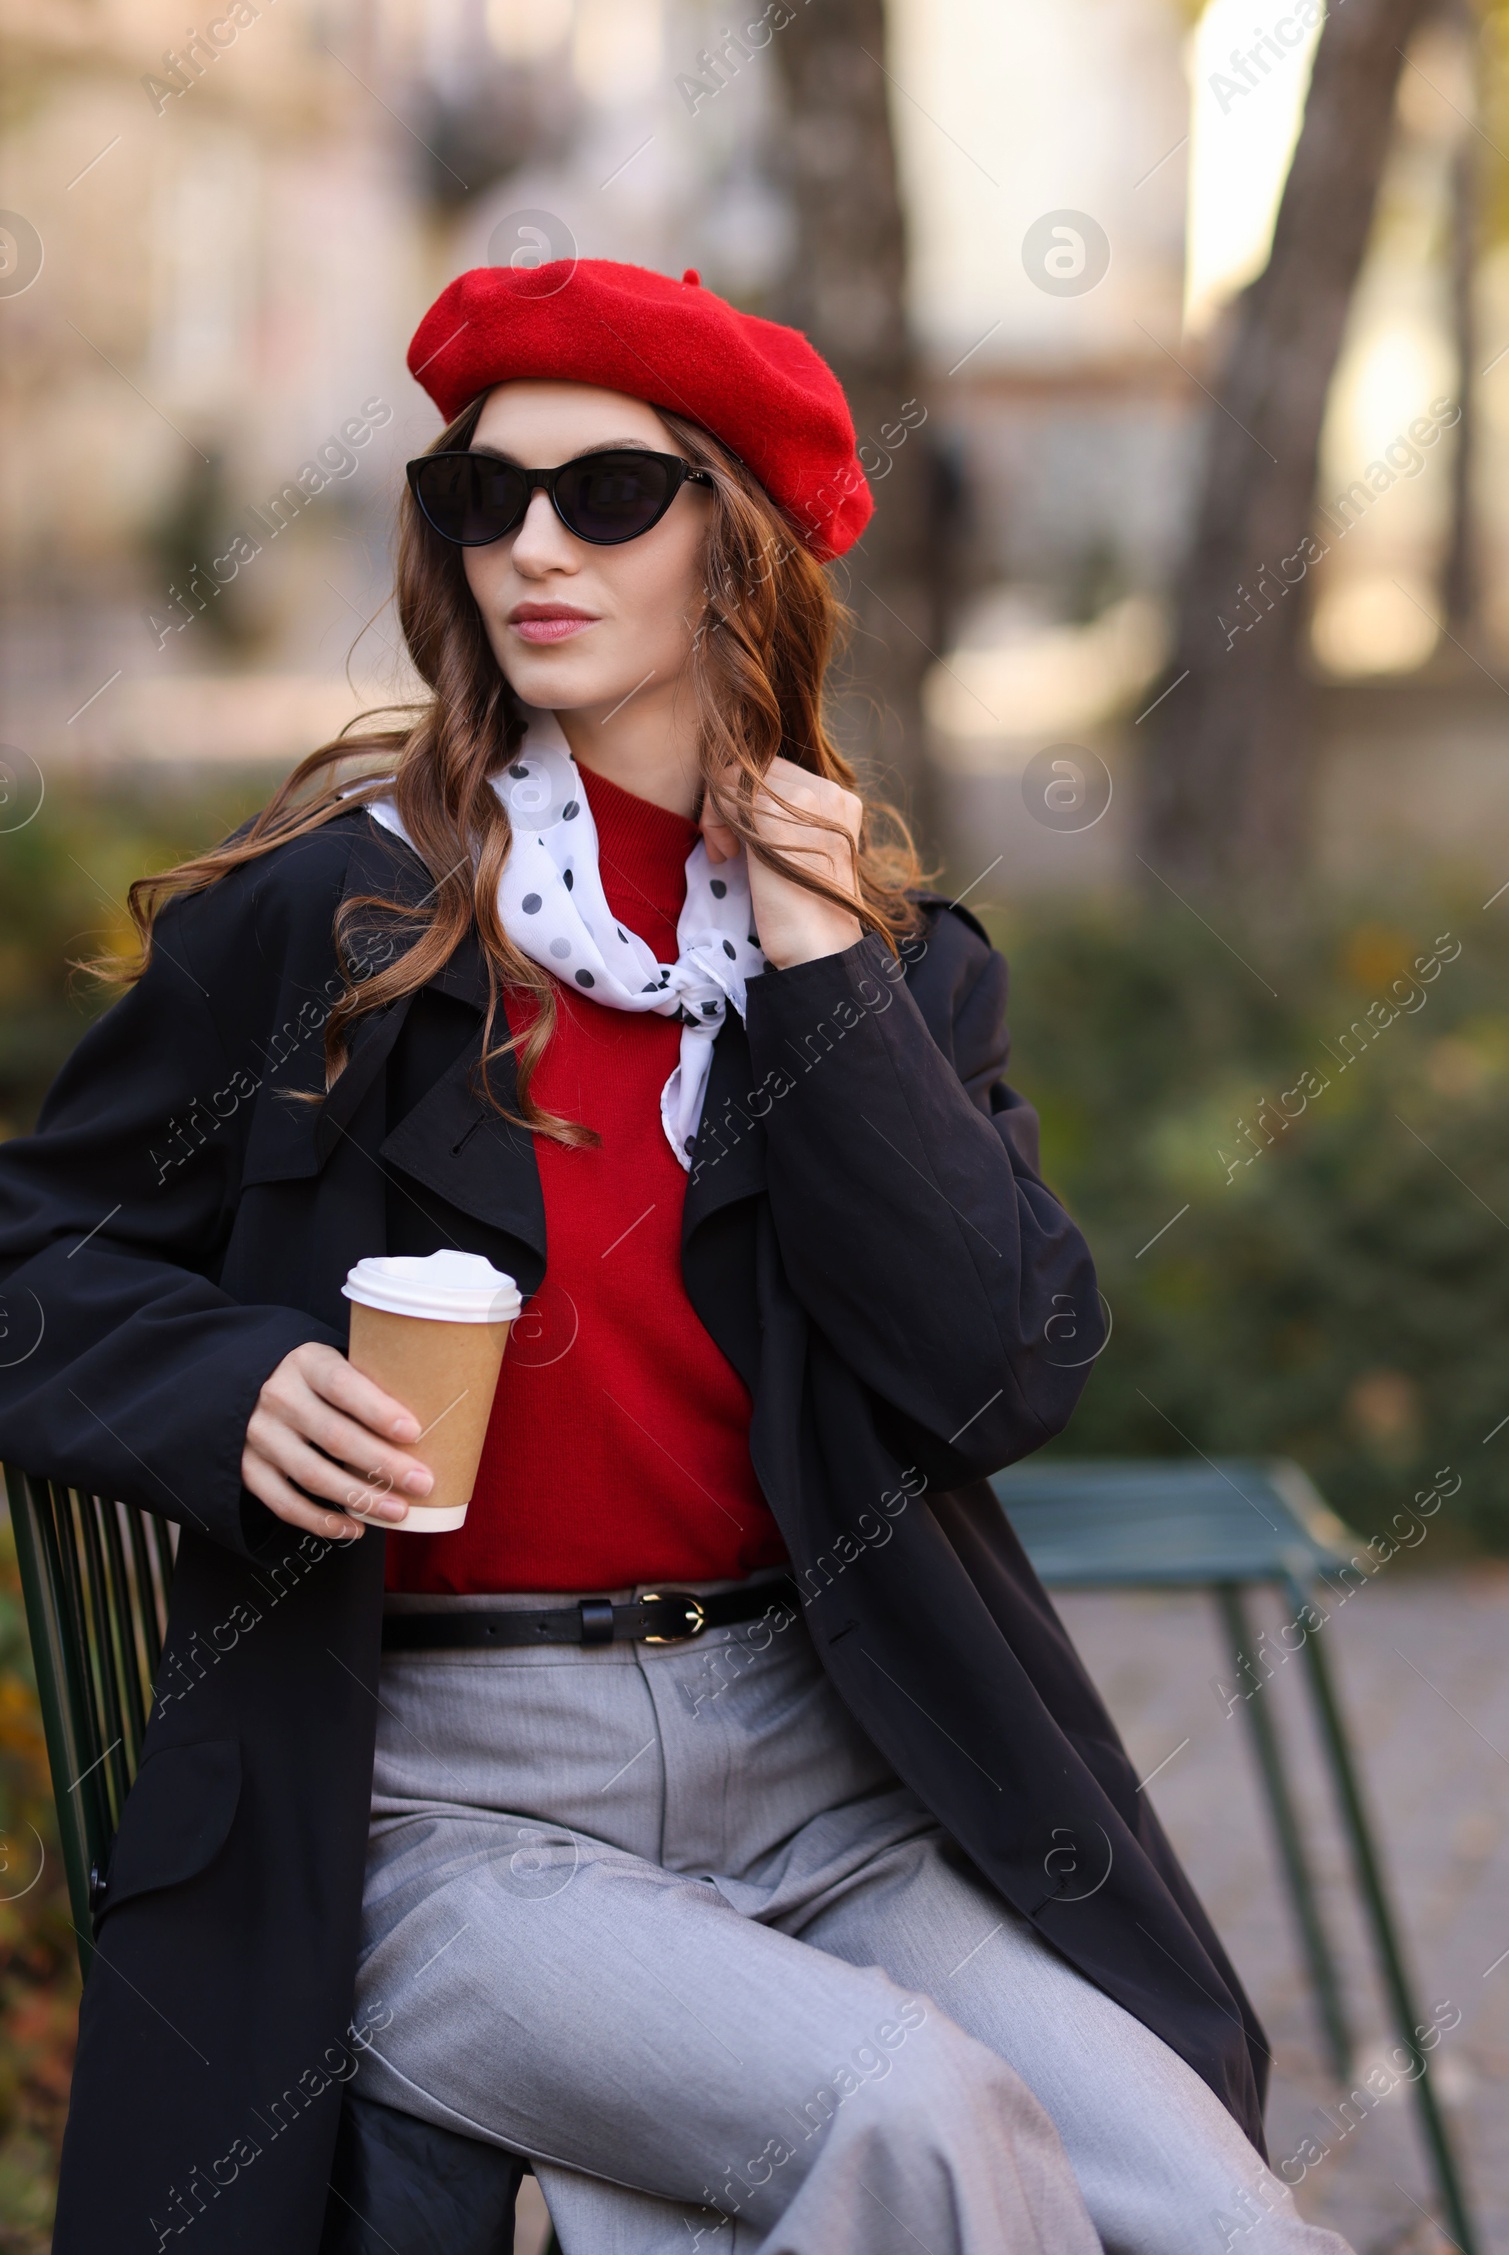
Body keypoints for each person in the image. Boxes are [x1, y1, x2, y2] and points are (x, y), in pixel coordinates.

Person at [0, 260, 1352, 2255]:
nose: (527, 546)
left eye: (605, 496)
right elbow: (36, 1254)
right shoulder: (340, 935)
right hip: (436, 1807)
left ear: (737, 550)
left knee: (1225, 2222)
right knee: (915, 2121)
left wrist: (821, 989)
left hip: (832, 1780)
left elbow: (1000, 1375)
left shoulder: (880, 965)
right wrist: (223, 1389)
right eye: (482, 499)